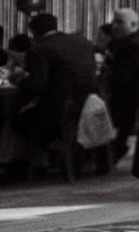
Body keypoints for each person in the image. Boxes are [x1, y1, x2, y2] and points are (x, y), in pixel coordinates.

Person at [15, 13, 100, 174]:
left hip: (59, 110)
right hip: (89, 104)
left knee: (17, 118)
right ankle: (65, 151)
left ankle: (53, 148)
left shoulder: (39, 49)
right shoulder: (82, 42)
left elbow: (37, 86)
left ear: (34, 32)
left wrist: (18, 80)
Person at [105, 8, 139, 171]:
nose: (114, 26)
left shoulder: (132, 46)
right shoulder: (136, 42)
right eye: (114, 22)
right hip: (136, 97)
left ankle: (104, 154)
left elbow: (121, 78)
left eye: (120, 22)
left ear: (134, 25)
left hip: (131, 100)